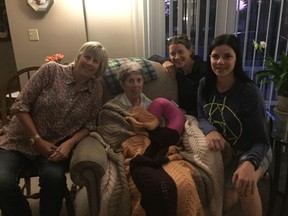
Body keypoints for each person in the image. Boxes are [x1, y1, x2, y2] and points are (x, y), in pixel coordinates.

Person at [0, 41, 109, 216]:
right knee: (1, 182)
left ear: (99, 68)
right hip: (18, 141)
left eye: (95, 61)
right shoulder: (51, 70)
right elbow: (20, 106)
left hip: (54, 148)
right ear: (79, 56)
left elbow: (90, 124)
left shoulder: (96, 90)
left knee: (55, 180)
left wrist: (70, 143)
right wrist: (36, 139)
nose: (89, 63)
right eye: (87, 57)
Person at [95, 61, 205, 216]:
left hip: (160, 151)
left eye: (139, 80)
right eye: (130, 81)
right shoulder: (112, 107)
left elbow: (163, 132)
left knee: (184, 182)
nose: (136, 85)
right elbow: (110, 132)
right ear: (122, 84)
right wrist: (139, 134)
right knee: (157, 186)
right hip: (135, 155)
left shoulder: (152, 105)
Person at [197, 34, 272, 216]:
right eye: (215, 56)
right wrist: (211, 131)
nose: (220, 62)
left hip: (254, 148)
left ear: (236, 59)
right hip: (226, 153)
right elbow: (201, 116)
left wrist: (249, 163)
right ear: (209, 58)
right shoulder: (205, 84)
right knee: (222, 206)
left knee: (245, 184)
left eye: (227, 56)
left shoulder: (248, 92)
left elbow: (262, 141)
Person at [149, 34, 207, 116]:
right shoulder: (175, 66)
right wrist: (164, 61)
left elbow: (201, 101)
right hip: (179, 112)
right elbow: (153, 57)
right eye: (173, 53)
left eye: (181, 52)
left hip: (200, 116)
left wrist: (186, 112)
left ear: (190, 51)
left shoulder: (204, 69)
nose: (177, 57)